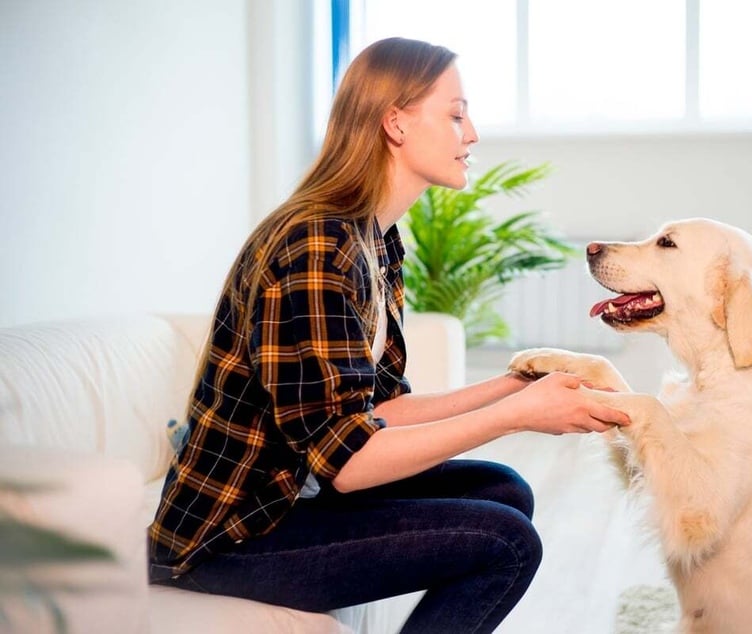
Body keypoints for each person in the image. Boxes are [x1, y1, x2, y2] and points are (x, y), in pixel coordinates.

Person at [148, 36, 629, 634]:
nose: (472, 133)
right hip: (233, 534)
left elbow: (383, 407)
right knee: (508, 541)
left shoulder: (374, 238)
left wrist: (509, 389)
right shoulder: (316, 246)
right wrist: (519, 416)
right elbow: (347, 462)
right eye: (455, 114)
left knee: (503, 489)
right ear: (395, 123)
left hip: (298, 498)